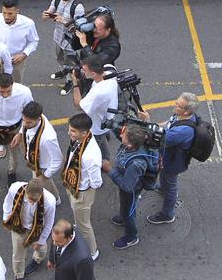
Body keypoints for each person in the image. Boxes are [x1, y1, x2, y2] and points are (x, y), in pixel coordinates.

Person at [147, 93, 199, 226]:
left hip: (173, 162)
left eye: (178, 105)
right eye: (176, 102)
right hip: (169, 157)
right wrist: (156, 126)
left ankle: (167, 214)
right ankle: (164, 187)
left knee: (170, 186)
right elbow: (169, 123)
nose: (175, 105)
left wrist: (147, 123)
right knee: (165, 178)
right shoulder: (182, 116)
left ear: (186, 110)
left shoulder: (182, 131)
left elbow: (161, 140)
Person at [2, 176, 56, 280]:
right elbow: (7, 203)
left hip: (36, 229)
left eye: (34, 200)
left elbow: (49, 223)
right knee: (18, 255)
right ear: (26, 190)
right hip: (18, 227)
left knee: (42, 250)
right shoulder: (15, 188)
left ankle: (37, 260)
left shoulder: (50, 202)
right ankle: (19, 277)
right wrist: (6, 219)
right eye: (29, 198)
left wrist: (41, 241)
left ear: (41, 194)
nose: (31, 201)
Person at [106, 122, 157, 251]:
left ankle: (131, 236)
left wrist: (110, 170)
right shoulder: (134, 144)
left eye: (123, 134)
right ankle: (123, 217)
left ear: (129, 144)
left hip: (132, 188)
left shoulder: (136, 164)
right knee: (124, 203)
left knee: (129, 211)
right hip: (127, 182)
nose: (120, 134)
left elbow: (127, 186)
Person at [62, 112, 104, 258]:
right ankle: (78, 224)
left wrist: (84, 192)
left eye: (73, 131)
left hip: (81, 192)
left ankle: (92, 252)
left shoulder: (90, 155)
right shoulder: (83, 139)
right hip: (73, 185)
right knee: (79, 218)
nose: (69, 133)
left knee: (84, 226)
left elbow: (97, 182)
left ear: (84, 132)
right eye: (70, 129)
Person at [72, 53, 119, 154]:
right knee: (102, 138)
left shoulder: (98, 92)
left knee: (94, 146)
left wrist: (75, 83)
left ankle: (105, 162)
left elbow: (78, 105)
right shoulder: (109, 70)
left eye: (84, 70)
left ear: (93, 74)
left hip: (96, 125)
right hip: (106, 117)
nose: (82, 72)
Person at [0, 0, 39, 82]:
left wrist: (24, 54)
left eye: (10, 13)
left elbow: (34, 41)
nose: (6, 16)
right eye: (4, 13)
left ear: (17, 11)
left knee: (16, 85)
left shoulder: (28, 24)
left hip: (16, 61)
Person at [43, 0, 87, 68]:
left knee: (72, 64)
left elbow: (80, 29)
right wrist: (46, 14)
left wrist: (64, 21)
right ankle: (64, 72)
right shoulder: (57, 0)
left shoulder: (78, 7)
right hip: (58, 38)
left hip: (70, 42)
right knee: (60, 59)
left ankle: (71, 80)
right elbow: (50, 10)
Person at [20, 100, 62, 190]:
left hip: (42, 166)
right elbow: (25, 124)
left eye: (29, 123)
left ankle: (55, 199)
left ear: (38, 119)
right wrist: (19, 134)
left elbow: (58, 160)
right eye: (23, 120)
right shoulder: (35, 117)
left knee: (45, 187)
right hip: (34, 160)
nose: (24, 124)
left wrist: (45, 176)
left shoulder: (48, 138)